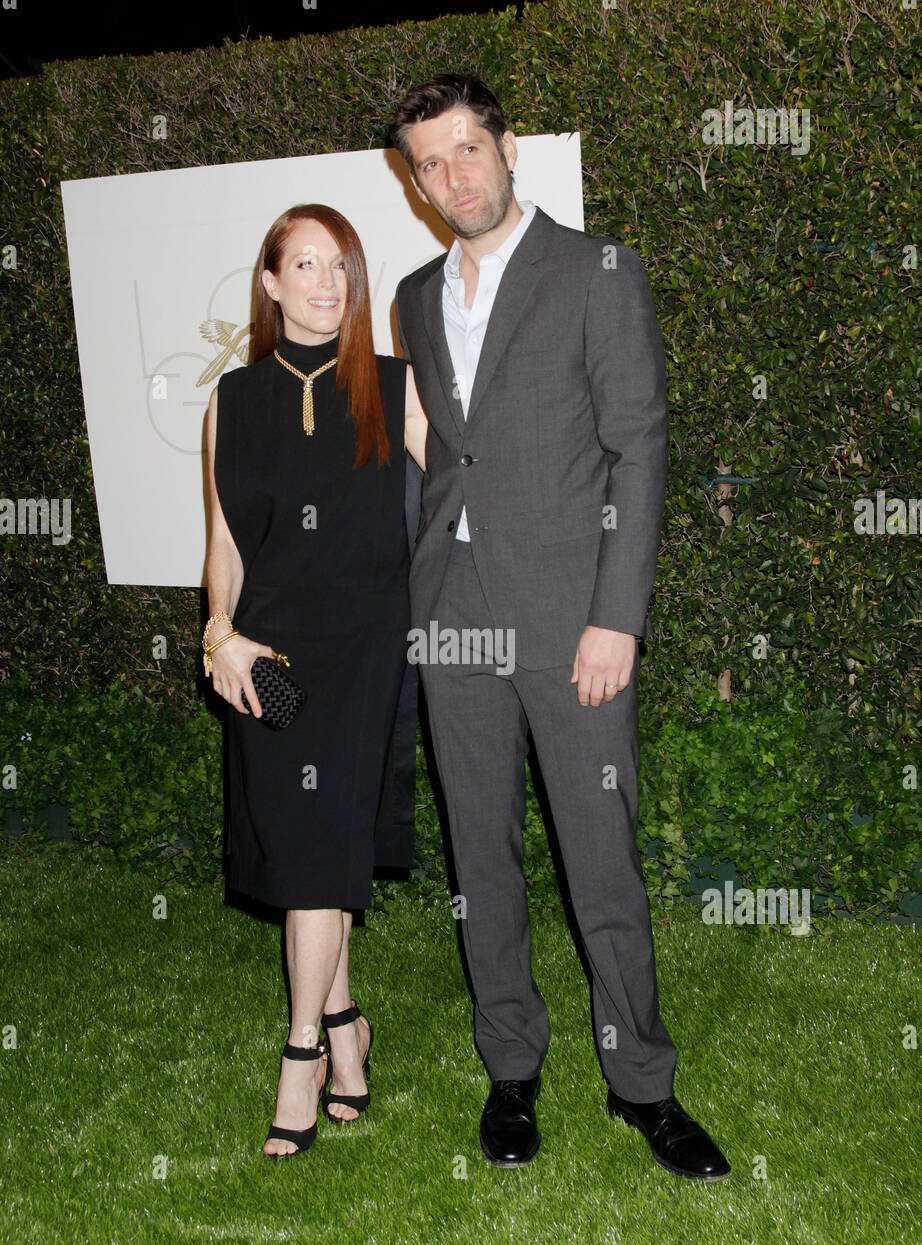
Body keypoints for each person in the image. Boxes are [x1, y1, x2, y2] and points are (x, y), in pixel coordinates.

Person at [388, 75, 730, 1178]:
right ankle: (511, 1069)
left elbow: (639, 448)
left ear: (508, 146)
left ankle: (643, 1085)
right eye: (429, 164)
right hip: (455, 616)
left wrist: (614, 619)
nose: (451, 180)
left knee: (600, 861)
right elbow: (448, 451)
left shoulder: (596, 270)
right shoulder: (410, 294)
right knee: (478, 852)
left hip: (574, 617)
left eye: (465, 152)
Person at [204, 203, 427, 1157]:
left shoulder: (397, 386)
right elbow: (223, 544)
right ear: (270, 282)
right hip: (271, 659)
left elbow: (471, 494)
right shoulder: (233, 401)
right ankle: (348, 1033)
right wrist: (218, 635)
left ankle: (301, 1053)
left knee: (321, 848)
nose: (326, 284)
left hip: (366, 655)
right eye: (305, 265)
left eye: (340, 266)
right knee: (305, 855)